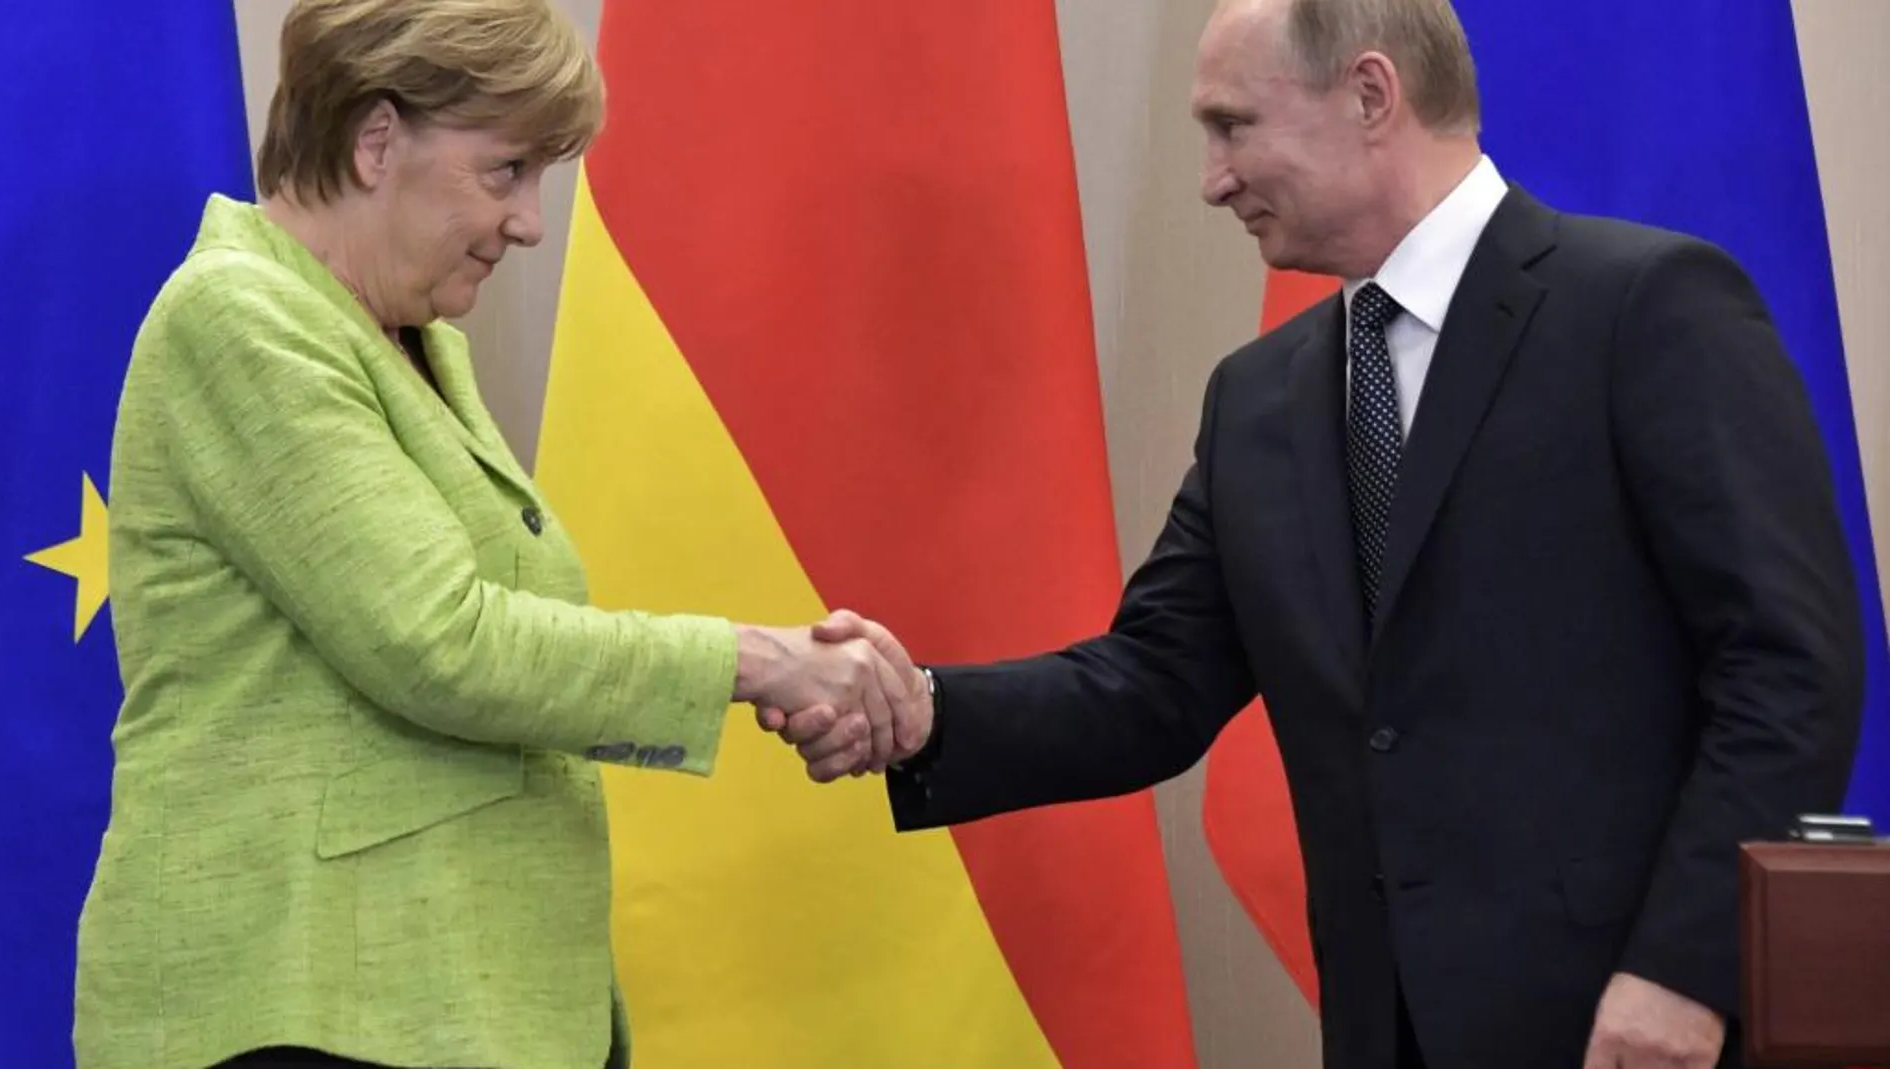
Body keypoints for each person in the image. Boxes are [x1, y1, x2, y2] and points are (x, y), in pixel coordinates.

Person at [767, 0, 1867, 1066]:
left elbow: (1787, 664)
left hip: (1632, 1024)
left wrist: (1684, 970)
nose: (1212, 181)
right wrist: (920, 711)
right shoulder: (1258, 399)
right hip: (1381, 1025)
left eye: (1231, 125)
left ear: (1370, 93)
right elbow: (1153, 685)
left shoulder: (1643, 308)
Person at [72, 2, 906, 1067]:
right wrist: (758, 660)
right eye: (505, 169)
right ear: (376, 141)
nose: (530, 222)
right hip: (304, 998)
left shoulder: (411, 342)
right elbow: (440, 643)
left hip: (445, 994)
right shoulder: (237, 317)